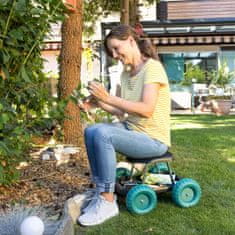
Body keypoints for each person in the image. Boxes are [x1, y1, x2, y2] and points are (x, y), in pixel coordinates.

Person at [78, 24, 171, 226]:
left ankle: (108, 201)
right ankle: (100, 192)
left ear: (130, 40)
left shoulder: (152, 68)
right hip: (131, 130)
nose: (114, 54)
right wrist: (96, 102)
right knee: (92, 130)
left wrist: (108, 97)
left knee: (102, 133)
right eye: (111, 51)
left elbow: (146, 109)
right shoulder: (126, 74)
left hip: (153, 140)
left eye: (116, 48)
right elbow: (121, 111)